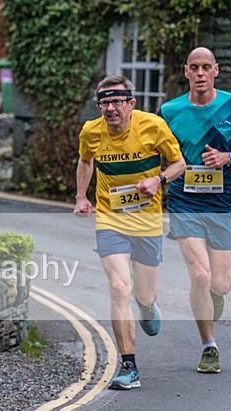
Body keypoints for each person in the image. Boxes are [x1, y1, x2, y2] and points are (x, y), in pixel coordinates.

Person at [74, 75, 185, 390]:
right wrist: (82, 196)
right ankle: (129, 366)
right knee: (119, 288)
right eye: (104, 103)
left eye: (117, 102)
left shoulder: (153, 127)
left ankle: (148, 306)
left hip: (147, 221)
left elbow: (180, 164)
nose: (110, 109)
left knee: (143, 295)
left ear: (131, 103)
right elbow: (85, 162)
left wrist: (158, 181)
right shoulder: (91, 132)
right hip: (110, 219)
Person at [157, 47, 231, 374]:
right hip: (185, 202)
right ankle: (209, 345)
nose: (200, 73)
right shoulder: (170, 110)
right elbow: (160, 156)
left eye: (205, 67)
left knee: (221, 284)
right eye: (194, 67)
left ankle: (213, 296)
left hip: (222, 203)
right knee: (201, 274)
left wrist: (229, 158)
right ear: (185, 71)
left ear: (216, 70)